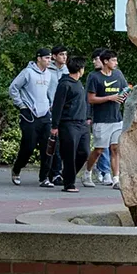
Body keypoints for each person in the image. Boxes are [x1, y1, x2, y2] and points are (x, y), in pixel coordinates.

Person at [7, 47, 55, 187]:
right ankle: (16, 170)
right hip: (30, 114)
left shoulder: (49, 74)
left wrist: (50, 105)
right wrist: (21, 105)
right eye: (46, 58)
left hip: (45, 114)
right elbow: (13, 88)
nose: (49, 60)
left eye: (50, 58)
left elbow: (49, 92)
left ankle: (44, 178)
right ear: (39, 58)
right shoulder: (28, 72)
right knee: (28, 146)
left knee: (48, 147)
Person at [82, 50, 130, 189]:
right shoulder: (94, 77)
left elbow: (125, 88)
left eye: (116, 60)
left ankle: (116, 179)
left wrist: (123, 95)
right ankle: (88, 173)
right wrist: (110, 97)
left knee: (115, 148)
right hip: (101, 120)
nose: (116, 63)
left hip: (117, 119)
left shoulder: (118, 74)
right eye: (113, 60)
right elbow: (90, 99)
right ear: (105, 62)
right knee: (99, 150)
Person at [51, 55, 89, 193]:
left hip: (82, 123)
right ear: (79, 69)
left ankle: (67, 175)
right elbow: (57, 106)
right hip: (68, 123)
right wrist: (54, 126)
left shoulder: (79, 83)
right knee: (69, 154)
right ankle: (69, 184)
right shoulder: (65, 84)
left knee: (84, 152)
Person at [43, 44, 70, 185]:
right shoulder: (48, 71)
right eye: (61, 55)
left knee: (62, 143)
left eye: (65, 55)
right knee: (52, 143)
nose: (64, 57)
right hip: (49, 111)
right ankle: (50, 173)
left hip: (64, 112)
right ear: (54, 56)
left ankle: (58, 173)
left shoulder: (67, 71)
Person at [90, 47, 113, 185]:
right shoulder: (93, 77)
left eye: (96, 59)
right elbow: (89, 98)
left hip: (113, 116)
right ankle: (104, 171)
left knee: (112, 145)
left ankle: (104, 170)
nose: (94, 62)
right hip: (99, 117)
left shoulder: (115, 75)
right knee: (101, 146)